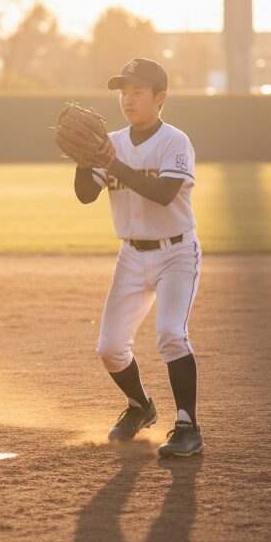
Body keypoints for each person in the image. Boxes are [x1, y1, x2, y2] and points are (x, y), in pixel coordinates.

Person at [73, 58, 204, 457]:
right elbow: (85, 195)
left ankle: (188, 427)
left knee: (171, 334)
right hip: (131, 255)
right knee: (110, 348)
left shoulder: (174, 141)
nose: (127, 100)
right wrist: (84, 161)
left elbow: (164, 193)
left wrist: (110, 162)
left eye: (137, 92)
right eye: (123, 92)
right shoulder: (111, 142)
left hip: (176, 253)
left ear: (160, 97)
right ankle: (140, 407)